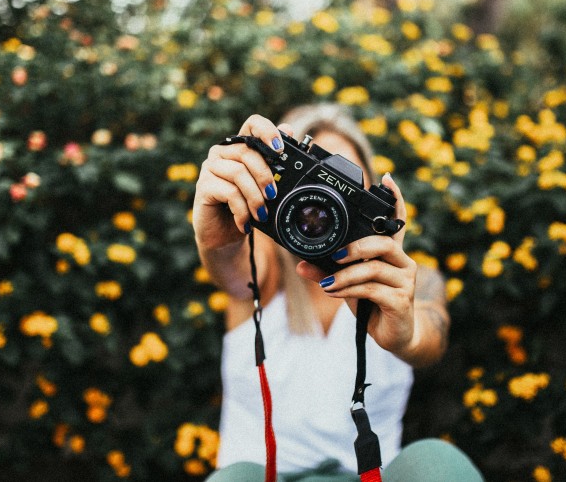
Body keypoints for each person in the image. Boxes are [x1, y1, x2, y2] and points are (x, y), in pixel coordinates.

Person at [193, 104, 483, 481]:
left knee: (437, 463)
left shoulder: (405, 282)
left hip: (369, 475)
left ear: (373, 200)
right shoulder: (259, 270)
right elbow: (229, 271)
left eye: (342, 188)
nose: (320, 207)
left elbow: (430, 337)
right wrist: (214, 235)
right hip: (262, 476)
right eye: (313, 182)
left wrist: (404, 331)